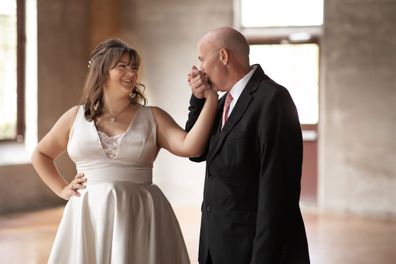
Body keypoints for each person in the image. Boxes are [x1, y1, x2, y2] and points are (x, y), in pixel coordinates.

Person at [31, 38, 218, 264]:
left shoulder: (153, 116)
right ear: (102, 71)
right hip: (88, 214)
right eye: (122, 66)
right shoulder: (74, 117)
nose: (131, 73)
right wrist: (62, 189)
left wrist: (210, 100)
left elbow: (191, 146)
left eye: (134, 67)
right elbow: (40, 154)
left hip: (140, 213)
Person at [186, 27, 310, 264]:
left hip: (252, 250)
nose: (199, 70)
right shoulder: (223, 102)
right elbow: (196, 151)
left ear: (223, 56)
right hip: (216, 246)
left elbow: (278, 194)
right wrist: (198, 99)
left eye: (202, 60)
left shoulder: (273, 99)